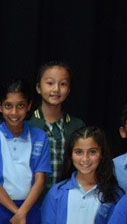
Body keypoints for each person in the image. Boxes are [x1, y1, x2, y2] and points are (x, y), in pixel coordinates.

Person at [40, 126, 121, 224]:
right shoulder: (58, 192)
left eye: (92, 152)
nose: (85, 159)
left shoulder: (114, 195)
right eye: (78, 152)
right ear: (71, 155)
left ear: (102, 154)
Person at [0, 79, 51, 224]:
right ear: (0, 106)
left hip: (30, 208)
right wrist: (17, 212)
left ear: (29, 106)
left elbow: (40, 180)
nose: (14, 112)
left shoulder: (39, 136)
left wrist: (23, 212)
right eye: (8, 106)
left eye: (20, 106)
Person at [27, 61, 85, 192]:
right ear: (38, 88)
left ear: (69, 89)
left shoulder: (77, 126)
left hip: (66, 198)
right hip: (32, 201)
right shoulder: (27, 124)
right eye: (50, 83)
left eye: (63, 84)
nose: (56, 89)